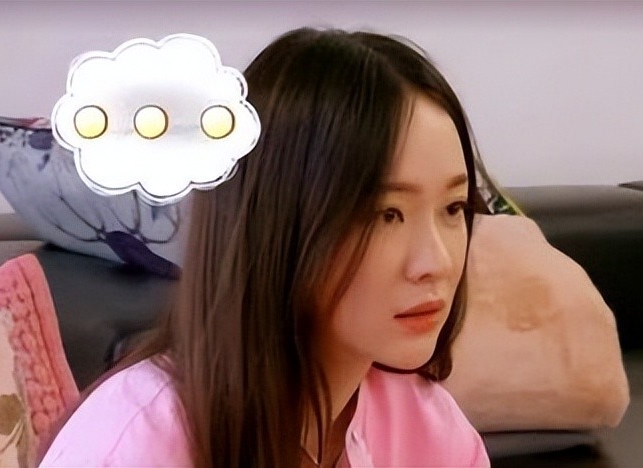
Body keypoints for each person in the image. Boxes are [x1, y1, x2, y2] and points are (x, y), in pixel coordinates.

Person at [39, 28, 490, 467]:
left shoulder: (429, 430)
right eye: (385, 214)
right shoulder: (133, 444)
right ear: (281, 221)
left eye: (454, 208)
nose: (437, 262)